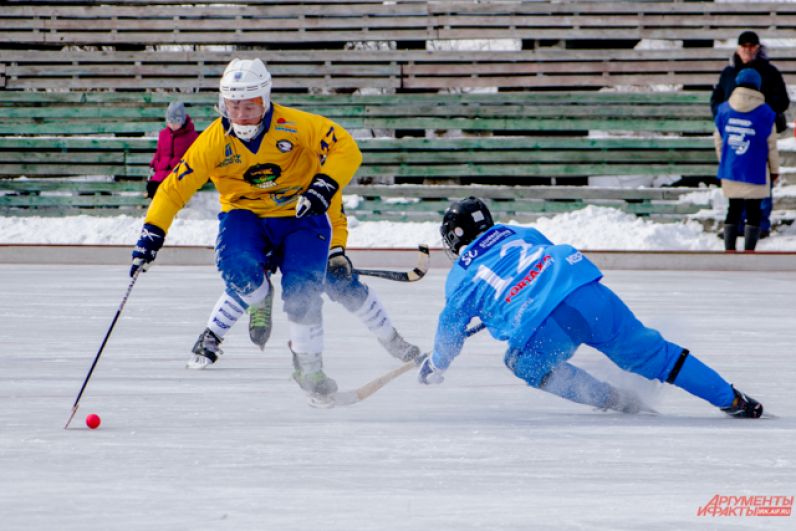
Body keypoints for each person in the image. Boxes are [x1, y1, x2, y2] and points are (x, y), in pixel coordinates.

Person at [130, 57, 362, 398]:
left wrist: (324, 185)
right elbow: (174, 188)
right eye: (232, 106)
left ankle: (310, 367)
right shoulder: (212, 140)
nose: (240, 116)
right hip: (245, 213)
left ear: (265, 101)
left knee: (303, 292)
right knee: (235, 263)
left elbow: (346, 147)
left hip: (298, 215)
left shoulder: (294, 124)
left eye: (250, 107)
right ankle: (259, 297)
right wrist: (152, 233)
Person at [417, 197, 764, 418]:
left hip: (549, 322)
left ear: (455, 237)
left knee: (520, 362)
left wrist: (436, 363)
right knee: (656, 354)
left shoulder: (461, 277)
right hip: (587, 290)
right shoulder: (517, 230)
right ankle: (732, 399)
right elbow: (541, 257)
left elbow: (450, 328)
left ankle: (612, 399)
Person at [195, 198, 421, 366]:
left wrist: (336, 252)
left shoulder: (319, 170)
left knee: (340, 283)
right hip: (260, 228)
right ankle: (212, 333)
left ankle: (390, 338)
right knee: (248, 275)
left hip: (304, 234)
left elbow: (334, 215)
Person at [710, 30, 790, 238]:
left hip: (758, 134)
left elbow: (782, 100)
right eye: (743, 46)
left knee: (760, 177)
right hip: (734, 133)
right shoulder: (729, 72)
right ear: (738, 48)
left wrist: (761, 115)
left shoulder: (769, 72)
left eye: (751, 46)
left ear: (757, 48)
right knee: (737, 178)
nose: (747, 50)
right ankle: (736, 224)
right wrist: (723, 119)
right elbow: (717, 98)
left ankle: (760, 223)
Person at [714, 69, 780, 252]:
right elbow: (771, 146)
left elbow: (718, 139)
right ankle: (749, 252)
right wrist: (774, 170)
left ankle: (729, 250)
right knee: (754, 211)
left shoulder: (724, 109)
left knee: (733, 209)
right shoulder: (766, 113)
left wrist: (725, 159)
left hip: (731, 168)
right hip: (756, 169)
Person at [147, 101, 199, 199]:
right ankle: (159, 210)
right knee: (152, 188)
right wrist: (153, 165)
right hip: (161, 171)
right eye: (170, 122)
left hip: (179, 173)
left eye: (176, 122)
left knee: (169, 190)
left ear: (182, 121)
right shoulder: (163, 134)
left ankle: (169, 209)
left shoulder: (191, 136)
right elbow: (159, 152)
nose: (173, 125)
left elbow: (195, 156)